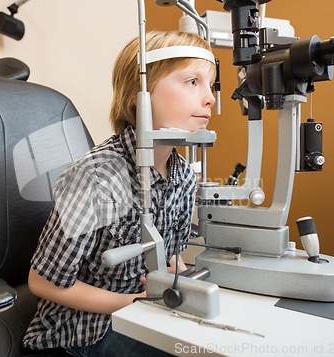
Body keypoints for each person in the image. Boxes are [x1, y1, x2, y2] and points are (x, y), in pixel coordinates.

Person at [22, 30, 216, 356]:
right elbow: (43, 282)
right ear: (140, 95)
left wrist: (185, 285)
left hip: (144, 312)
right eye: (192, 82)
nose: (210, 97)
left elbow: (171, 256)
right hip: (81, 335)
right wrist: (132, 303)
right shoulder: (96, 177)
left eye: (210, 84)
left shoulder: (182, 175)